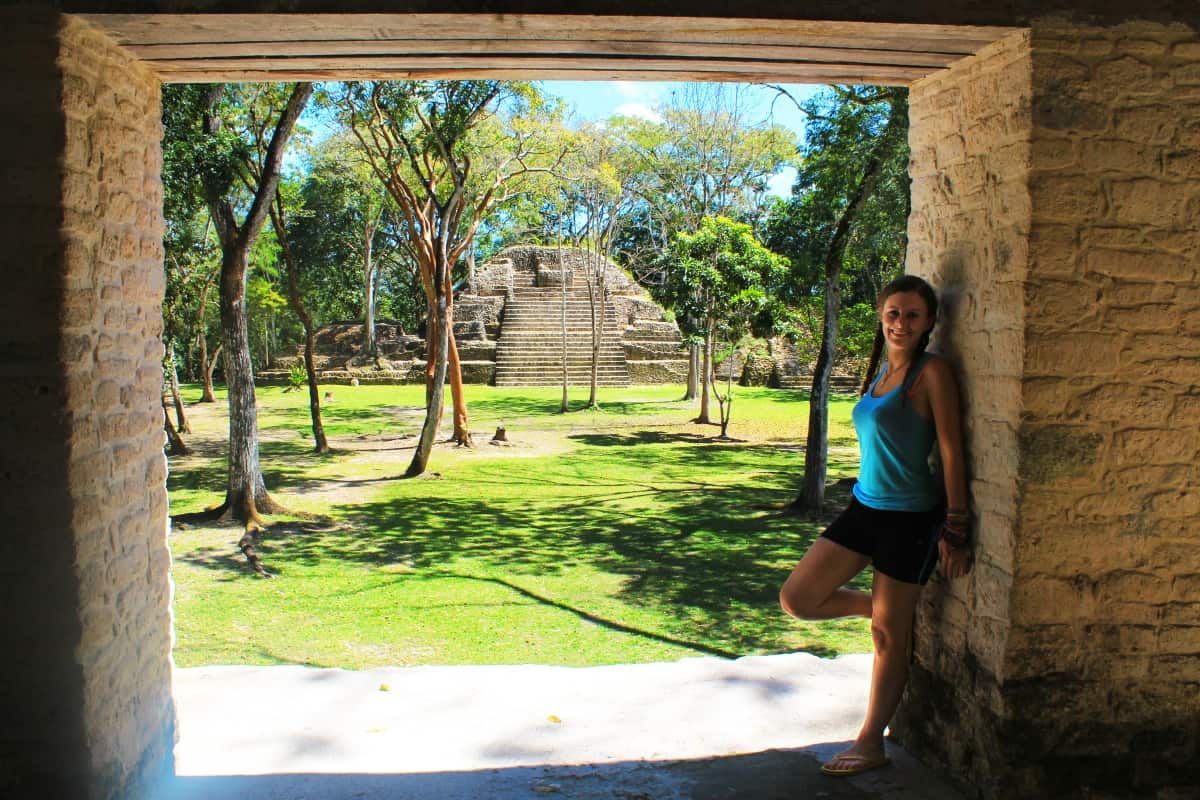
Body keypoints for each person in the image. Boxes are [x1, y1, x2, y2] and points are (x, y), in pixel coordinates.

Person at [779, 274, 972, 777]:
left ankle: (870, 742)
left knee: (888, 640)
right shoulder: (881, 372)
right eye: (893, 313)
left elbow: (952, 447)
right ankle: (885, 612)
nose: (901, 323)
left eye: (912, 315)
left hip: (912, 518)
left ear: (929, 322)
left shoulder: (931, 374)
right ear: (880, 316)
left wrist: (956, 525)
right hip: (865, 509)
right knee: (797, 598)